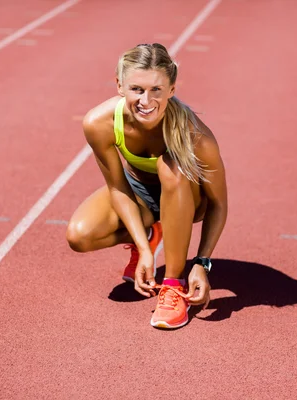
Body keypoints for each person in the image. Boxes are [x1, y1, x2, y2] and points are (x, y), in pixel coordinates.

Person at [66, 43, 228, 329]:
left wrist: (202, 264)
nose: (146, 100)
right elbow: (118, 187)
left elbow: (217, 204)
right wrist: (144, 248)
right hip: (140, 195)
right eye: (137, 89)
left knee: (172, 168)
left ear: (172, 90)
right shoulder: (99, 123)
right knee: (80, 236)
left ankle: (174, 286)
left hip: (188, 199)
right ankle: (152, 233)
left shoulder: (195, 134)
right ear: (119, 85)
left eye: (156, 90)